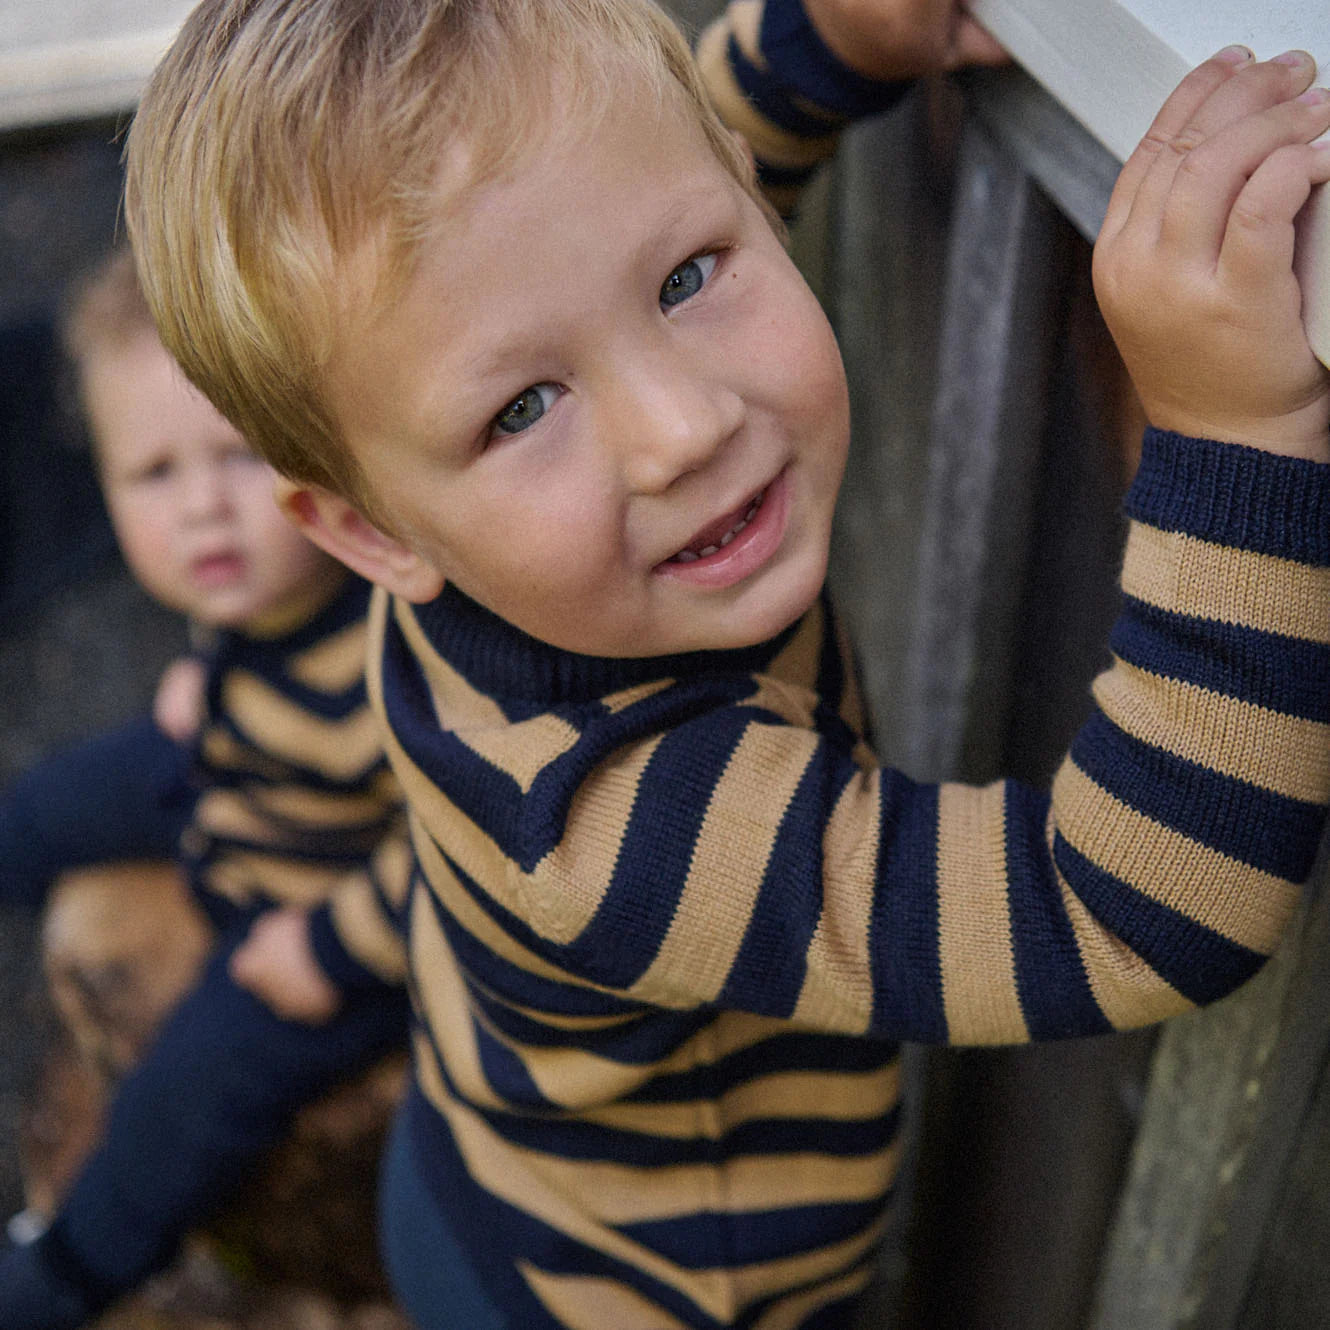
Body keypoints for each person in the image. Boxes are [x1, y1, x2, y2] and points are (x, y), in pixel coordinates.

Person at [118, 0, 1330, 1324]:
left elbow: (652, 163)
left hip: (476, 1156)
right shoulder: (620, 817)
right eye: (523, 407)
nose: (682, 428)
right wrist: (1230, 430)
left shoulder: (457, 519)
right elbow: (1134, 912)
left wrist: (830, 38)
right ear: (368, 531)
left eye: (688, 279)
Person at [0, 248, 411, 1328]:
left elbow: (471, 850)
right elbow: (250, 636)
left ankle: (68, 1270)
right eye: (153, 474)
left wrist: (328, 950)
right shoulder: (262, 589)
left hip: (317, 903)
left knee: (189, 1087)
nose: (202, 513)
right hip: (237, 761)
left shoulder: (398, 651)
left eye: (238, 456)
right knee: (48, 806)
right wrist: (216, 670)